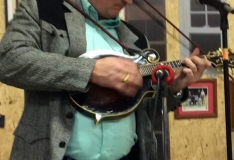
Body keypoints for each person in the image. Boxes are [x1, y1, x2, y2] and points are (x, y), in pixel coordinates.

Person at [0, 0, 211, 160]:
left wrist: (173, 88)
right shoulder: (41, 8)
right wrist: (92, 71)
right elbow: (8, 60)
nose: (128, 1)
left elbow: (140, 108)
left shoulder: (136, 39)